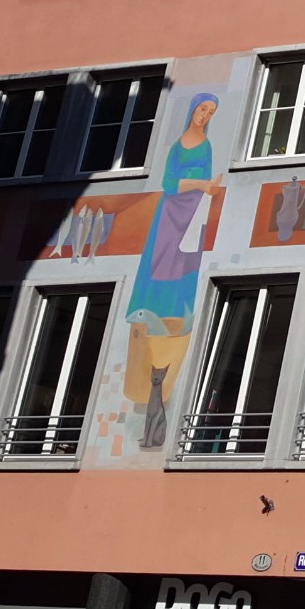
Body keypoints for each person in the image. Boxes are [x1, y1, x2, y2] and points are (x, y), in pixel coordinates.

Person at [126, 93, 223, 448]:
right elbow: (168, 183)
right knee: (162, 262)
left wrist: (205, 188)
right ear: (192, 109)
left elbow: (207, 181)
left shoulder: (207, 146)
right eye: (202, 109)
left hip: (193, 213)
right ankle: (154, 314)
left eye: (211, 112)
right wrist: (199, 184)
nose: (205, 115)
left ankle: (174, 316)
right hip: (171, 213)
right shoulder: (178, 146)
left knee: (184, 267)